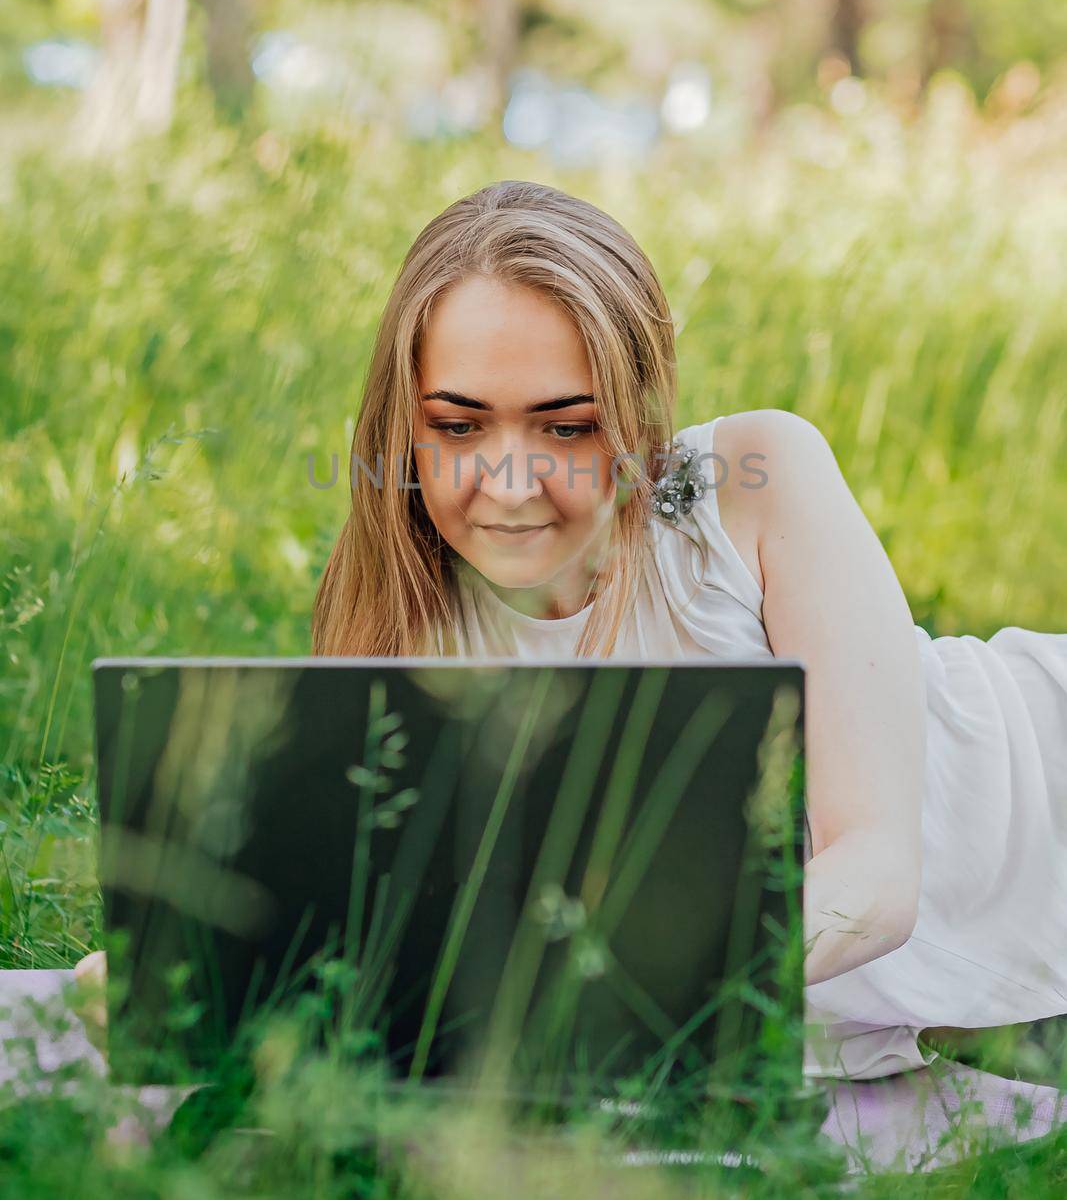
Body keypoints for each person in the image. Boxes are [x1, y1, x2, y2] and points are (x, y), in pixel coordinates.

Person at [310, 178, 1067, 1079]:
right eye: (458, 425)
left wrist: (599, 1005)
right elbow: (360, 921)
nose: (509, 483)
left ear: (637, 414)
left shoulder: (744, 489)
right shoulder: (402, 628)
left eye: (568, 427)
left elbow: (873, 877)